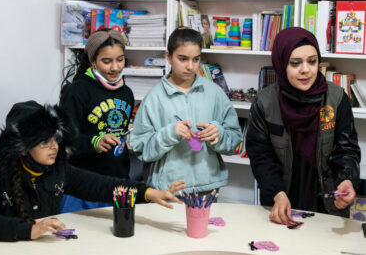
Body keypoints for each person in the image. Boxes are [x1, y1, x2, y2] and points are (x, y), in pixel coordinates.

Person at [0, 101, 185, 241]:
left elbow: (101, 186)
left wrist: (149, 193)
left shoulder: (58, 169)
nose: (54, 147)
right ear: (22, 147)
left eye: (56, 139)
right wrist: (30, 230)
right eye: (44, 142)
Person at [246, 27, 361, 225]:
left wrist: (347, 179)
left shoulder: (336, 98)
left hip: (328, 203)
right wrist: (277, 193)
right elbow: (260, 156)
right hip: (281, 201)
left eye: (312, 61)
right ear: (281, 64)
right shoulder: (265, 102)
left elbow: (347, 149)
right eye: (295, 63)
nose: (306, 70)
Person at [129, 28, 242, 195]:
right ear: (168, 56)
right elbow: (140, 149)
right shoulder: (153, 98)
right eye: (182, 59)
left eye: (196, 59)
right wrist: (168, 135)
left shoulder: (215, 93)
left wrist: (219, 135)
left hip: (208, 186)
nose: (190, 66)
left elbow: (235, 139)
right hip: (168, 189)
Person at [59, 29, 134, 212]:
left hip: (118, 181)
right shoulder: (77, 91)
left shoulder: (127, 93)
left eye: (120, 59)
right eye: (106, 61)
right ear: (93, 61)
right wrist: (95, 141)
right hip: (84, 183)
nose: (115, 68)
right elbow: (65, 139)